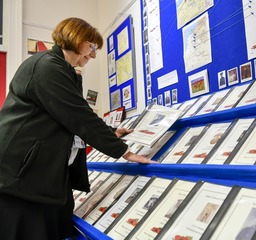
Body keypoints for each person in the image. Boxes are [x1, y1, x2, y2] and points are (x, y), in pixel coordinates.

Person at [0, 17, 151, 239]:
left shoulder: (63, 69)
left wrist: (112, 132)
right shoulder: (46, 66)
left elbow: (75, 113)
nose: (93, 54)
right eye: (92, 46)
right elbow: (77, 114)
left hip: (39, 177)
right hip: (19, 180)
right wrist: (123, 151)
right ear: (77, 40)